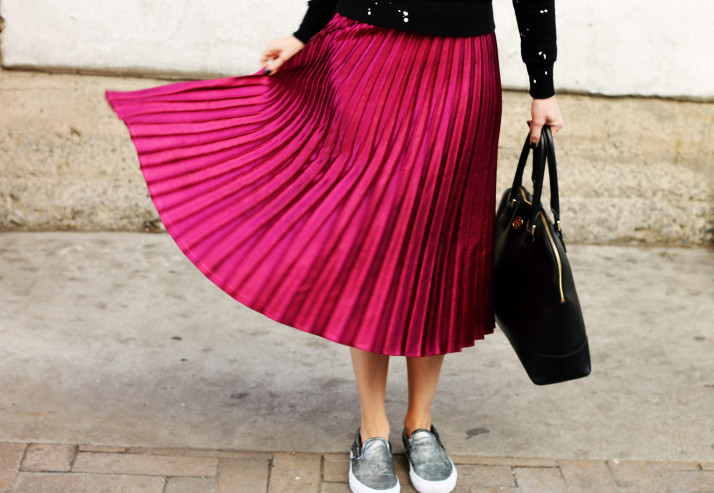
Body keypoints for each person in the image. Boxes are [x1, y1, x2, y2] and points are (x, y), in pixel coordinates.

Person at [106, 1, 563, 492]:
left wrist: (542, 86)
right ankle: (372, 431)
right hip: (368, 52)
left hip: (460, 64)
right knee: (373, 242)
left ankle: (421, 424)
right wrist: (307, 32)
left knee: (441, 243)